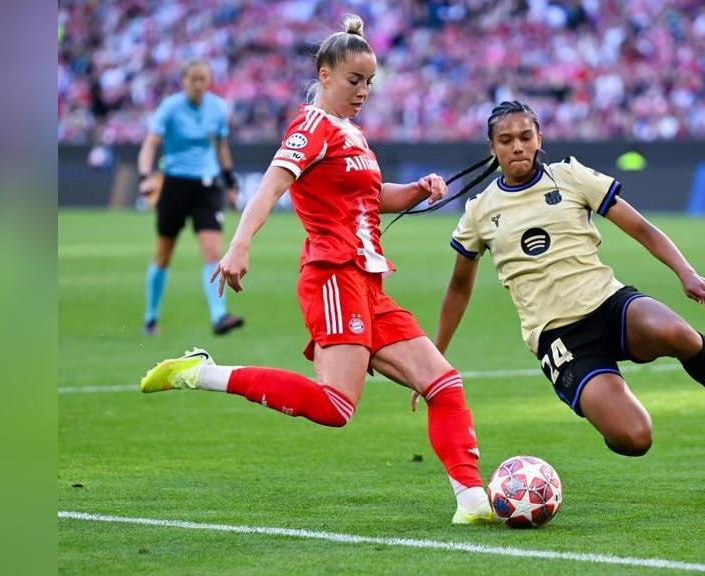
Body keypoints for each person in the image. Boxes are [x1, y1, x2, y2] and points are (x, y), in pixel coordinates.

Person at [139, 16, 494, 525]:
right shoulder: (311, 127)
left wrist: (418, 190)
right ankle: (201, 372)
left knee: (444, 383)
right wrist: (239, 245)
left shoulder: (353, 133)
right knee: (335, 407)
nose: (363, 91)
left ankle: (472, 500)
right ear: (324, 75)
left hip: (369, 280)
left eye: (369, 82)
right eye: (354, 80)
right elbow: (270, 187)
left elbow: (374, 197)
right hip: (333, 274)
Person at [425, 100, 705, 456]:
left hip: (609, 303)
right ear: (492, 148)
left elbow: (641, 228)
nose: (518, 147)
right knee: (635, 439)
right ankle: (601, 397)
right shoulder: (479, 211)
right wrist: (435, 357)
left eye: (526, 136)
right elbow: (459, 286)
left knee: (680, 334)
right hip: (559, 337)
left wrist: (686, 273)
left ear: (539, 138)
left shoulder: (570, 177)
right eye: (506, 140)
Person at [137, 60, 244, 336]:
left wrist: (230, 182)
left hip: (207, 186)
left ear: (209, 81)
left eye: (203, 79)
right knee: (163, 254)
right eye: (193, 79)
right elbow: (150, 144)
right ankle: (151, 317)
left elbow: (221, 147)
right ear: (183, 81)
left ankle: (219, 316)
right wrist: (145, 176)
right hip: (175, 185)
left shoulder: (217, 108)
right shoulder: (170, 107)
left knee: (212, 252)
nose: (198, 85)